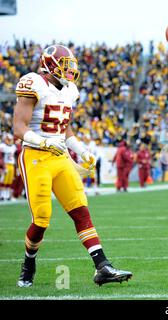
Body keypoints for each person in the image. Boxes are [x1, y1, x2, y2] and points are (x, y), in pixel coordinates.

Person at [13, 44, 132, 287]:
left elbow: (64, 128)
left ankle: (102, 266)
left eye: (71, 68)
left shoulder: (69, 91)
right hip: (36, 157)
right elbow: (18, 128)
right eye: (64, 67)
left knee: (80, 209)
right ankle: (29, 263)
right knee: (42, 219)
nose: (69, 73)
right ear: (49, 64)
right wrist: (44, 143)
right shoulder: (32, 83)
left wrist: (82, 150)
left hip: (60, 156)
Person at [0, 133, 17, 201]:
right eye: (8, 139)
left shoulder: (13, 147)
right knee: (3, 180)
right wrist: (2, 167)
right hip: (5, 164)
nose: (10, 141)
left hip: (11, 165)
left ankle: (7, 195)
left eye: (10, 140)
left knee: (10, 181)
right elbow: (1, 157)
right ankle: (2, 195)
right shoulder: (2, 146)